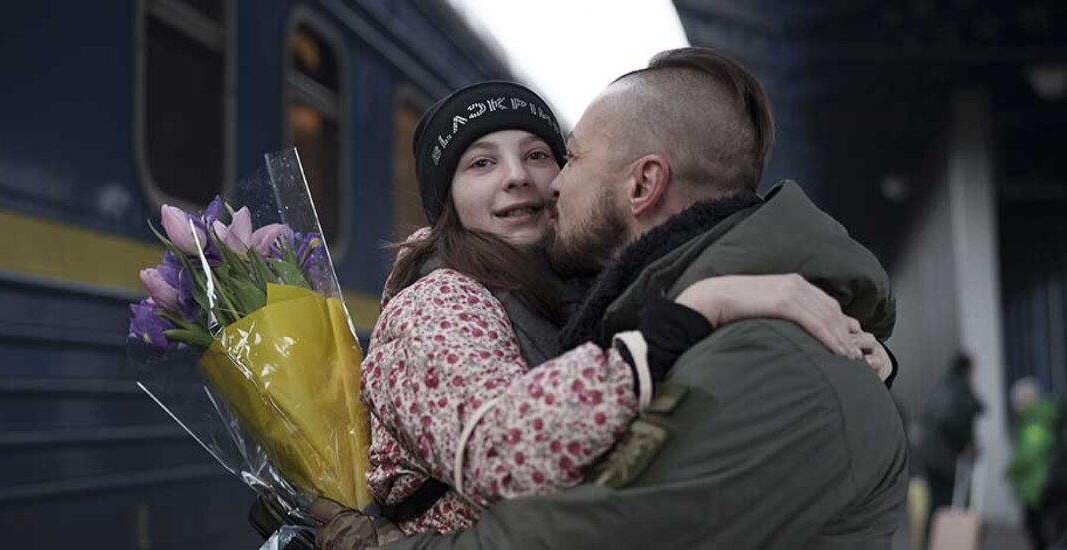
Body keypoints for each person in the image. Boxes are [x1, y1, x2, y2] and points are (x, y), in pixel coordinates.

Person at [323, 46, 909, 549]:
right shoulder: (439, 302)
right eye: (480, 163)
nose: (531, 180)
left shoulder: (591, 300)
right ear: (445, 202)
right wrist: (691, 316)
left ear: (641, 184)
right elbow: (503, 452)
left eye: (548, 156)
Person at [921, 353, 984, 533]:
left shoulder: (941, 386)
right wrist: (967, 442)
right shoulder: (960, 388)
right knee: (949, 503)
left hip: (931, 456)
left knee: (937, 503)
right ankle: (947, 540)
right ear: (967, 369)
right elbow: (953, 419)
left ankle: (933, 541)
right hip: (946, 458)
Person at [1007, 377, 1058, 550]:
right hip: (1038, 486)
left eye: (1018, 402)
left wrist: (1011, 469)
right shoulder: (1034, 420)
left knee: (1040, 534)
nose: (1016, 406)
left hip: (1038, 487)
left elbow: (1029, 452)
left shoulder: (1035, 422)